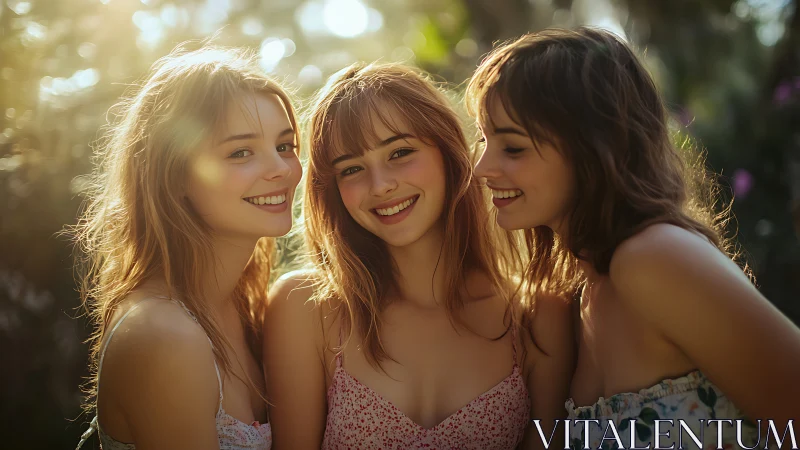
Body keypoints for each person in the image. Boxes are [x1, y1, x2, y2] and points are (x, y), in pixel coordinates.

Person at [466, 27, 800, 449]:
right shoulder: (575, 294)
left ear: (592, 147)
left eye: (512, 148)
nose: (481, 168)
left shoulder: (653, 257)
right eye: (483, 139)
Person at [263, 63, 574, 450]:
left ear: (448, 152)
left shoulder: (540, 315)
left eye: (400, 152)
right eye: (352, 168)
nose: (381, 186)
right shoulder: (306, 309)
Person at [73, 45, 302, 450]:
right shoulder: (164, 333)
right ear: (174, 175)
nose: (282, 169)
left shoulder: (247, 306)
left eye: (284, 146)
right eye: (241, 152)